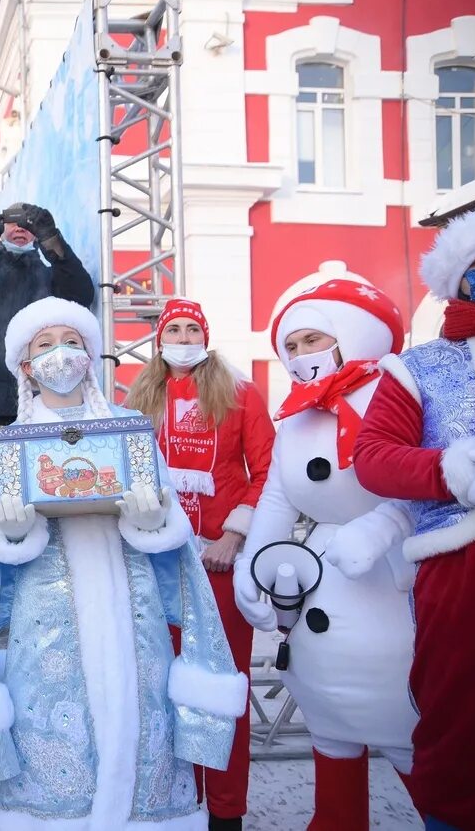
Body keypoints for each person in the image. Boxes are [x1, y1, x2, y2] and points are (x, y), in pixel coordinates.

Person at [0, 296, 246, 830]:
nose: (60, 355)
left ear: (90, 356)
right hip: (46, 631)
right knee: (59, 761)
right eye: (45, 345)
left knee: (140, 744)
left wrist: (151, 519)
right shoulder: (13, 446)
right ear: (25, 364)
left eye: (71, 342)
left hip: (131, 622)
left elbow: (174, 542)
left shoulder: (129, 429)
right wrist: (13, 535)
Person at [232, 279, 417, 831]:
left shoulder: (400, 393)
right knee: (332, 729)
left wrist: (385, 527)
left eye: (312, 339)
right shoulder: (295, 417)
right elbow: (277, 497)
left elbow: (429, 479)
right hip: (322, 593)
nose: (299, 355)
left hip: (392, 586)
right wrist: (251, 563)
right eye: (290, 345)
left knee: (409, 731)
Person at [351, 204, 475, 831]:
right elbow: (374, 459)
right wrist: (456, 471)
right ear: (458, 280)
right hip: (464, 574)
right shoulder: (418, 366)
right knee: (465, 735)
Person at [126, 299, 274, 831]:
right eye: (175, 329)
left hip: (219, 565)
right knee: (162, 690)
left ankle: (226, 813)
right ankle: (174, 807)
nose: (184, 336)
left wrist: (234, 534)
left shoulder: (239, 394)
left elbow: (268, 471)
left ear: (205, 336)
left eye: (192, 329)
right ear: (160, 339)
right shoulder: (140, 398)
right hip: (158, 565)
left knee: (221, 691)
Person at [0, 203, 95, 539]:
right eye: (12, 221)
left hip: (40, 403)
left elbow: (82, 295)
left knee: (40, 495)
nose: (20, 227)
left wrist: (52, 239)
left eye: (30, 223)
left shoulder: (47, 274)